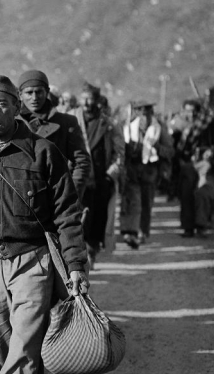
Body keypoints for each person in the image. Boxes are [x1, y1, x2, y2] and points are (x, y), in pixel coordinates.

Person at [0, 73, 89, 374]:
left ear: (17, 106)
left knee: (24, 348)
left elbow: (68, 213)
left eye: (2, 103)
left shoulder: (43, 152)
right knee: (4, 346)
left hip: (33, 262)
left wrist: (75, 267)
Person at [17, 69, 92, 203]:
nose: (34, 98)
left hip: (54, 199)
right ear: (20, 94)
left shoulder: (66, 123)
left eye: (39, 92)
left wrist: (71, 194)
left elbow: (82, 161)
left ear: (47, 91)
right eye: (29, 92)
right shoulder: (12, 123)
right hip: (18, 198)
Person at [72, 82, 125, 267]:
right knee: (78, 218)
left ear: (97, 100)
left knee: (98, 218)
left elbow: (119, 151)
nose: (86, 103)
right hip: (78, 179)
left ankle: (92, 251)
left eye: (90, 99)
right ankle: (80, 254)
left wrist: (112, 174)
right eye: (83, 98)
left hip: (102, 180)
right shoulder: (71, 119)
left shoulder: (108, 123)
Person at [120, 100, 174, 247]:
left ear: (151, 113)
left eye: (146, 113)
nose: (143, 116)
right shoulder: (128, 128)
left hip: (150, 171)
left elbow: (170, 151)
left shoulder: (159, 129)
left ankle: (142, 231)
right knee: (130, 201)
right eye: (140, 112)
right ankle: (129, 231)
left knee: (146, 202)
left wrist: (157, 147)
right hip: (132, 170)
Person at [175, 99, 214, 237]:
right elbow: (177, 146)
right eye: (187, 110)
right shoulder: (182, 125)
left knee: (203, 194)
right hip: (188, 164)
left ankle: (201, 226)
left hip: (205, 163)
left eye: (192, 111)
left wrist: (211, 154)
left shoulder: (208, 123)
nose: (190, 114)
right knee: (186, 195)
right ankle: (188, 228)